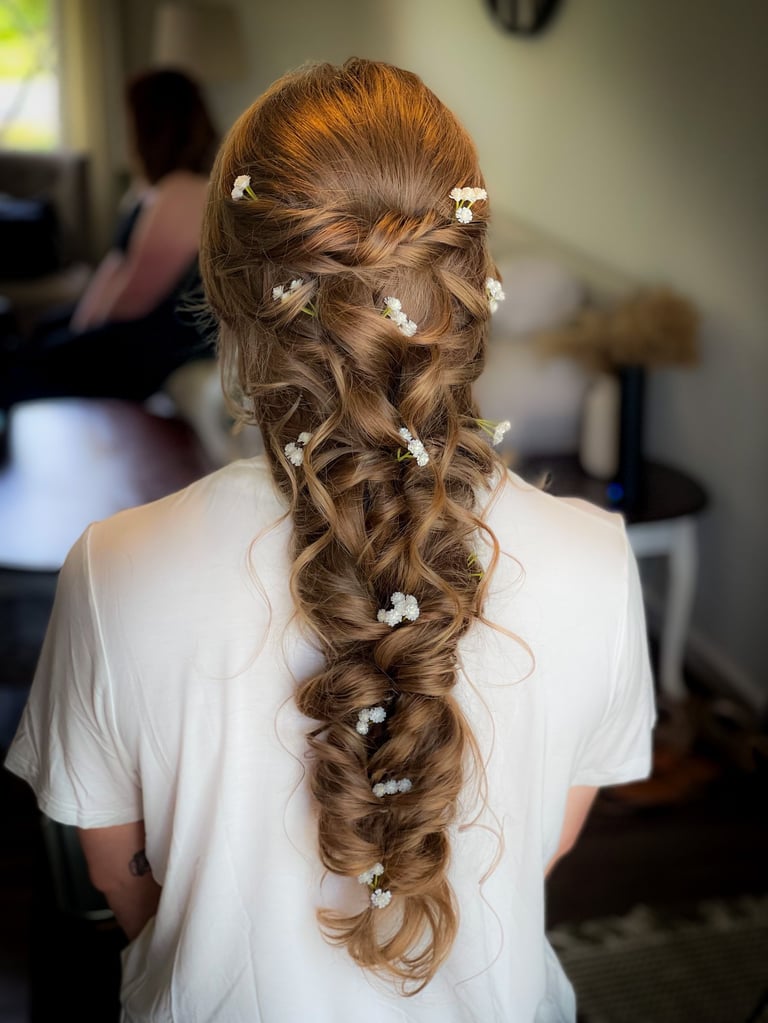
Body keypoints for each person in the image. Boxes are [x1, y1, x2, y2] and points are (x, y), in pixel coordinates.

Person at [4, 59, 656, 1021]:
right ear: (470, 284)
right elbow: (544, 845)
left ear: (226, 297)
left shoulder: (115, 568)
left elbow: (121, 877)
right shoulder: (597, 557)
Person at [0, 68, 217, 410]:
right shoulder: (162, 187)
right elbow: (119, 265)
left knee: (22, 367)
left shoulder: (181, 191)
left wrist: (81, 333)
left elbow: (134, 292)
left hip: (148, 344)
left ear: (153, 127)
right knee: (44, 328)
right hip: (138, 327)